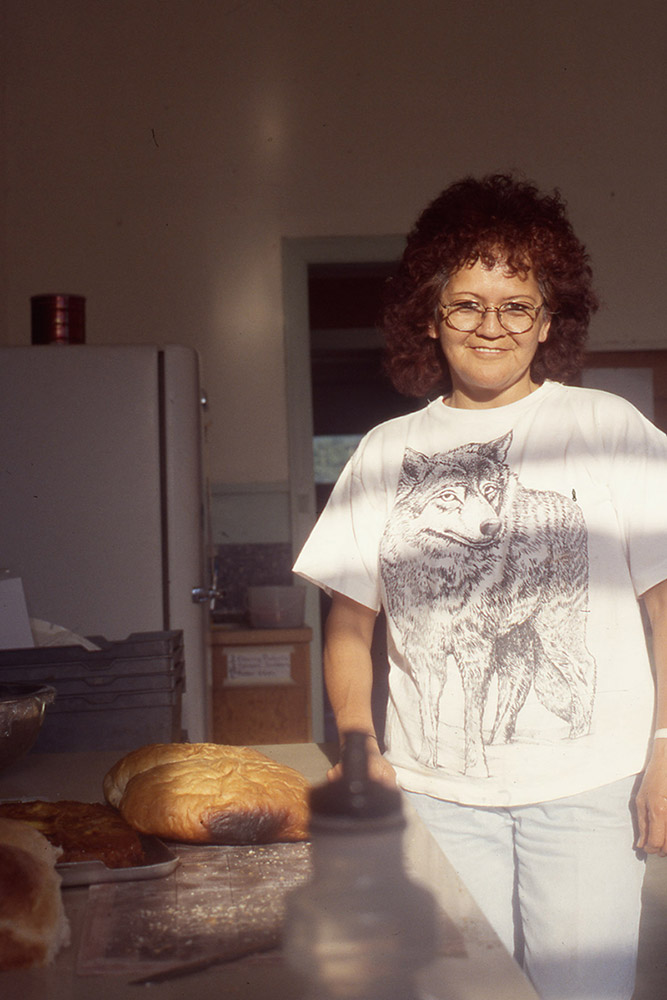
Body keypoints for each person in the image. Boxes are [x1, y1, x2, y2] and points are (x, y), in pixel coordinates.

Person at [293, 173, 667, 1000]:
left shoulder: (606, 430)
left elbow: (663, 608)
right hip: (435, 795)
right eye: (466, 304)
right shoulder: (385, 452)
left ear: (547, 320)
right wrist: (358, 745)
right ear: (430, 317)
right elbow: (349, 630)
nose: (489, 326)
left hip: (588, 791)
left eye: (515, 305)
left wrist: (666, 752)